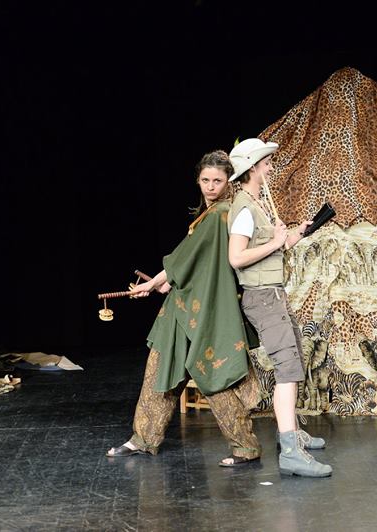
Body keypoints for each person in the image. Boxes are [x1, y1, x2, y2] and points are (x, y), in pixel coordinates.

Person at [106, 150, 262, 467]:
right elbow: (192, 264)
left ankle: (245, 446)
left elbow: (185, 260)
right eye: (205, 180)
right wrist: (165, 283)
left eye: (217, 181)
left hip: (205, 310)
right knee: (160, 370)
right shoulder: (210, 214)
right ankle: (143, 438)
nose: (210, 186)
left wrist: (153, 283)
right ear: (198, 180)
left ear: (229, 182)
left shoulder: (220, 215)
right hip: (182, 307)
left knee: (213, 375)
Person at [226, 138, 331, 478]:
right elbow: (236, 257)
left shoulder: (257, 204)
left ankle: (292, 432)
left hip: (273, 295)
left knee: (293, 362)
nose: (270, 168)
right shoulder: (244, 208)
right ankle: (290, 453)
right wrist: (274, 241)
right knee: (288, 370)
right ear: (253, 167)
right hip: (262, 298)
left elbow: (273, 248)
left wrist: (295, 235)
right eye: (266, 163)